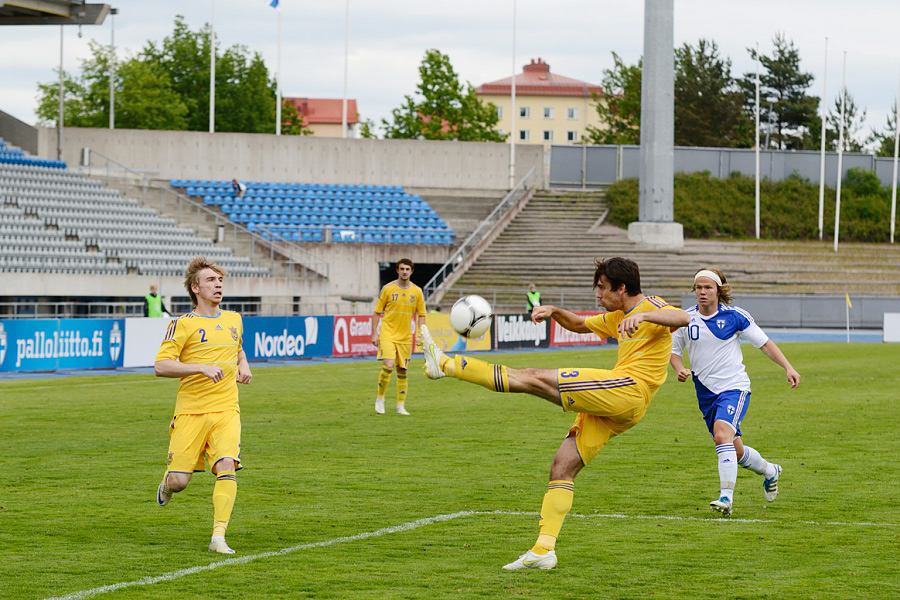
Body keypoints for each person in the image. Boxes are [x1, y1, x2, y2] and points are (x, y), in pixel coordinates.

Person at [419, 257, 689, 570]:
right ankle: (543, 550)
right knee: (562, 467)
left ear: (622, 288)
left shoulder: (650, 307)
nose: (597, 295)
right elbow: (578, 324)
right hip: (622, 407)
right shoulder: (617, 315)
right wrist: (553, 311)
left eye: (602, 288)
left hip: (627, 389)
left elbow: (682, 317)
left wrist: (647, 318)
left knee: (533, 377)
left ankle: (448, 365)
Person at [670, 267, 799, 517]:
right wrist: (679, 368)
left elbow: (764, 343)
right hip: (705, 393)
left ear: (718, 290)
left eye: (708, 287)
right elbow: (675, 353)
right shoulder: (684, 320)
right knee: (735, 450)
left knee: (721, 435)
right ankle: (771, 471)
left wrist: (788, 367)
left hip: (734, 388)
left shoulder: (735, 316)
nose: (703, 292)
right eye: (699, 287)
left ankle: (726, 497)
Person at [154, 256, 253, 555]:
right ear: (196, 288)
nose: (218, 284)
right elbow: (161, 366)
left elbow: (238, 351)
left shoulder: (234, 319)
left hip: (226, 409)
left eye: (220, 280)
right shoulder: (182, 324)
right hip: (191, 411)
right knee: (180, 481)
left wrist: (244, 364)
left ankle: (218, 536)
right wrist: (200, 367)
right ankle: (167, 483)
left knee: (227, 466)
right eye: (211, 280)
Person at [372, 258, 427, 416]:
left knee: (402, 370)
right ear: (397, 270)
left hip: (405, 337)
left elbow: (421, 315)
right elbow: (377, 312)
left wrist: (420, 333)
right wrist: (374, 332)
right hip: (388, 333)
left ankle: (400, 406)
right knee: (388, 365)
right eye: (402, 269)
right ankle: (380, 399)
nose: (404, 272)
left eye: (407, 269)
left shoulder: (417, 292)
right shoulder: (388, 289)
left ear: (411, 271)